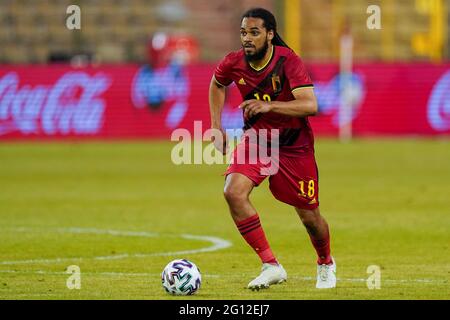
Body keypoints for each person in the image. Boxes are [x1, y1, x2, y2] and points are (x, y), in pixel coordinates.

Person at [208, 8, 336, 290]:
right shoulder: (234, 62)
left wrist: (270, 105)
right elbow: (217, 84)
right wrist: (216, 126)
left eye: (254, 32)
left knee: (309, 216)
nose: (247, 39)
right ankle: (270, 265)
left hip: (294, 146)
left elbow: (310, 105)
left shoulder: (288, 61)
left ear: (269, 34)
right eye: (243, 32)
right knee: (233, 191)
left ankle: (325, 262)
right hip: (257, 141)